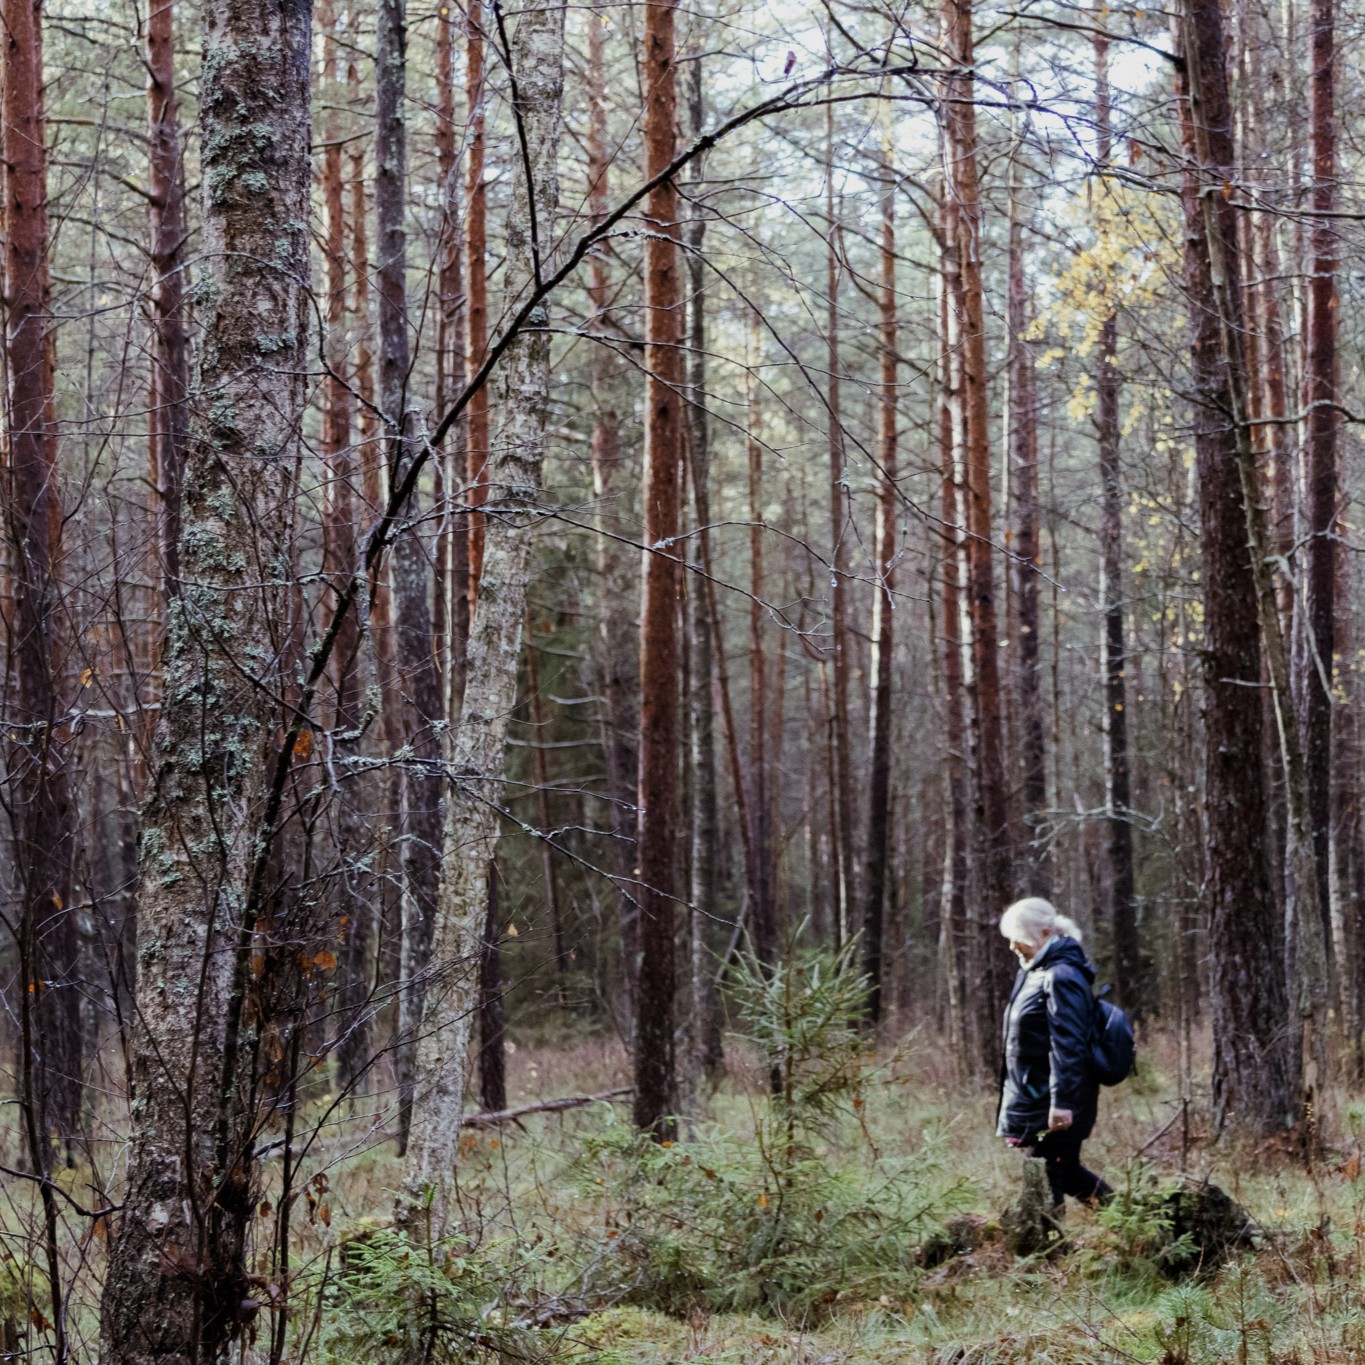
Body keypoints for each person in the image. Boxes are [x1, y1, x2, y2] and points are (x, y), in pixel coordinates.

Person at [996, 896, 1113, 1210]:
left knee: (1048, 1176)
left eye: (1017, 939)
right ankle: (1137, 1226)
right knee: (1066, 1173)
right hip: (1039, 1094)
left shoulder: (1061, 977)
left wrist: (1061, 1103)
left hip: (1056, 1100)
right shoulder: (1037, 972)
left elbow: (1069, 1045)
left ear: (1045, 934)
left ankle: (1047, 1251)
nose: (1013, 947)